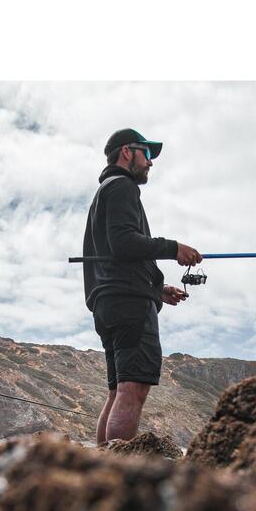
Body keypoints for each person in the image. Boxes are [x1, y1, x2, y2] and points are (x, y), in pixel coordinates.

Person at [83, 128, 202, 445]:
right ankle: (115, 476)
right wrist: (174, 247)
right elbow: (124, 243)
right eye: (146, 153)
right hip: (129, 306)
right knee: (132, 389)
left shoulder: (105, 192)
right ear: (126, 152)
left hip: (110, 305)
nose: (150, 162)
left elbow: (117, 253)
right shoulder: (122, 187)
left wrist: (157, 289)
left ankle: (100, 471)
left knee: (116, 392)